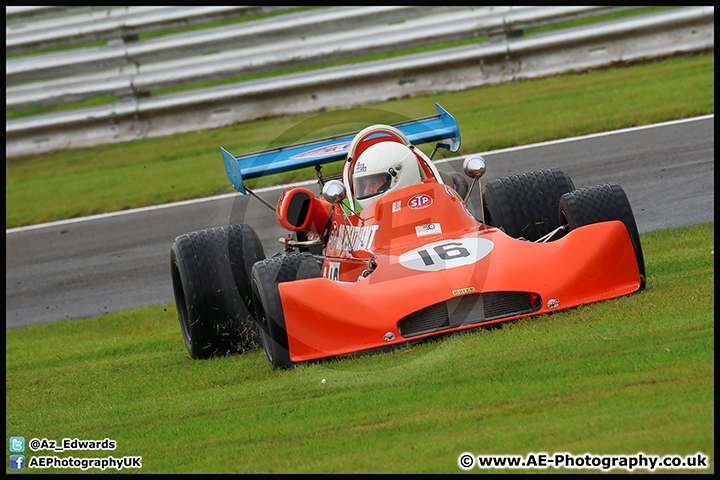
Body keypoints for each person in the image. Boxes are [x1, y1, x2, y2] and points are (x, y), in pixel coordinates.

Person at [351, 141, 423, 210]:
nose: (366, 191)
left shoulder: (431, 203)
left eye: (374, 183)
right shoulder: (353, 214)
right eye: (364, 184)